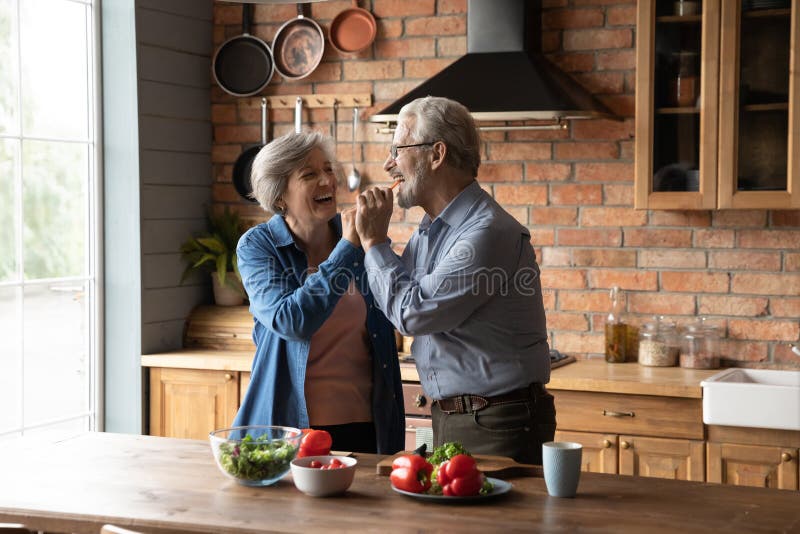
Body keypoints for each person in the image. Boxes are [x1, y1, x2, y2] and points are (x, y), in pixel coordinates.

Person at [354, 96, 555, 464]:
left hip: (497, 421)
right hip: (454, 416)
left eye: (397, 150)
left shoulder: (486, 232)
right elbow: (398, 299)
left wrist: (375, 242)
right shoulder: (431, 230)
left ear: (436, 154)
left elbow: (412, 314)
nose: (388, 164)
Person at [232, 131, 404, 455]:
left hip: (367, 427)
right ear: (279, 195)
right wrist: (348, 248)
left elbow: (398, 306)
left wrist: (375, 242)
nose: (327, 180)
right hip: (290, 431)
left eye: (328, 170)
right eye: (309, 174)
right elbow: (291, 320)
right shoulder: (258, 246)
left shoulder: (359, 238)